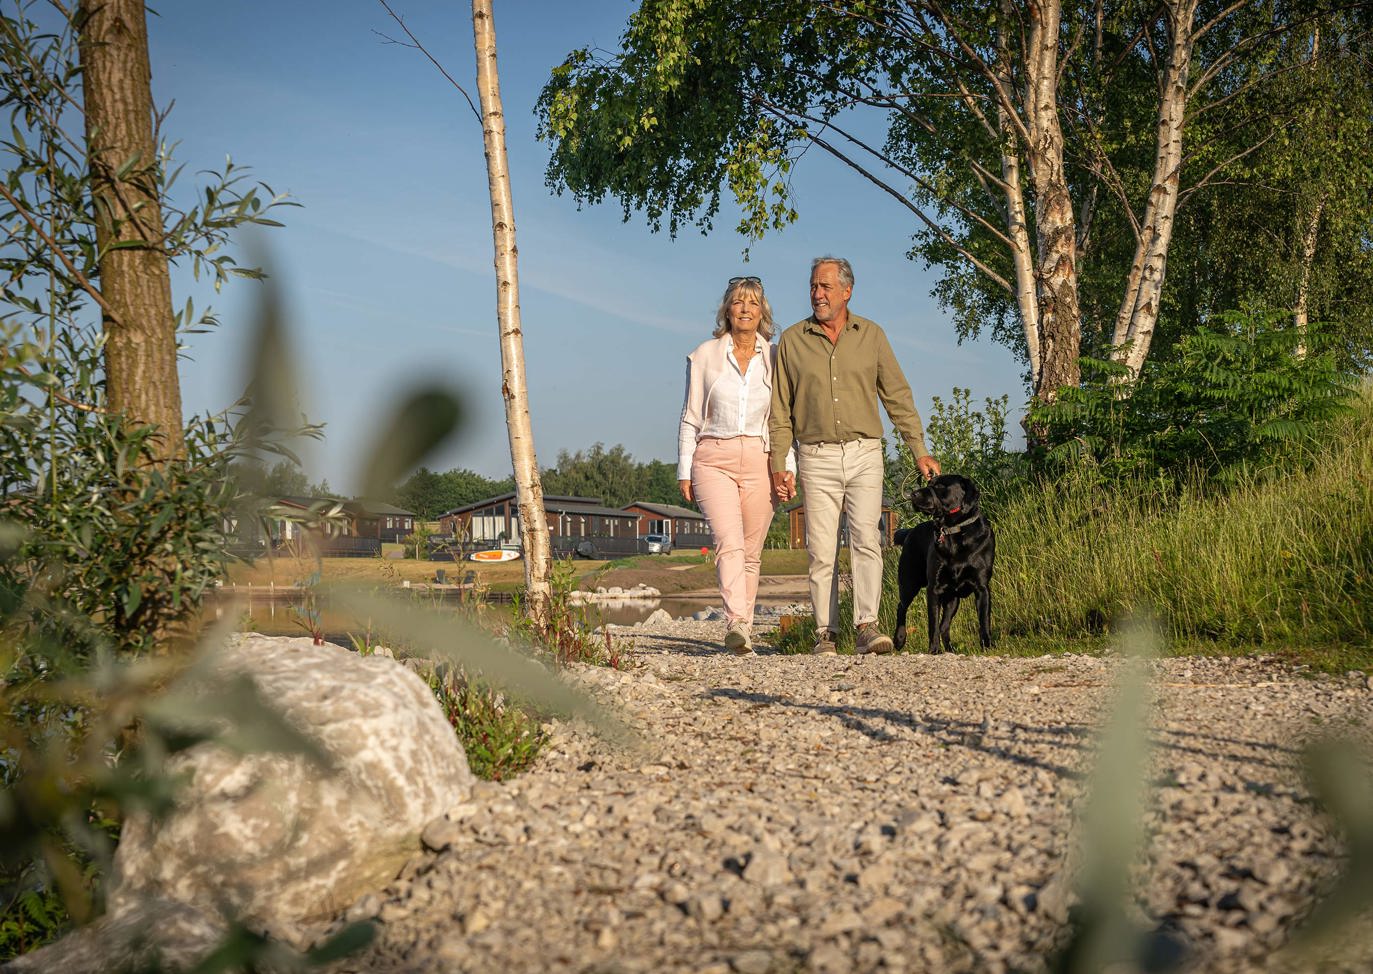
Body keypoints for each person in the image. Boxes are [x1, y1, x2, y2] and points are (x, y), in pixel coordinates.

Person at [769, 256, 941, 655]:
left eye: (826, 287)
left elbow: (897, 395)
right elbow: (780, 409)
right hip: (815, 454)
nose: (817, 294)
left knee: (867, 538)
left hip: (865, 453)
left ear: (847, 290)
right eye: (813, 286)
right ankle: (825, 634)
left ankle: (867, 626)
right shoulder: (793, 340)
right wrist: (780, 463)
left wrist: (919, 449)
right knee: (821, 548)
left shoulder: (872, 335)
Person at [678, 276, 791, 655]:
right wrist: (684, 467)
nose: (745, 309)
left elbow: (783, 419)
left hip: (761, 459)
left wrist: (786, 466)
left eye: (753, 303)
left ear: (763, 313)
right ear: (727, 309)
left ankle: (745, 625)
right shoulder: (706, 354)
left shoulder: (775, 358)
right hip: (713, 458)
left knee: (752, 549)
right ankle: (736, 623)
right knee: (729, 542)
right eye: (739, 302)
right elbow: (691, 416)